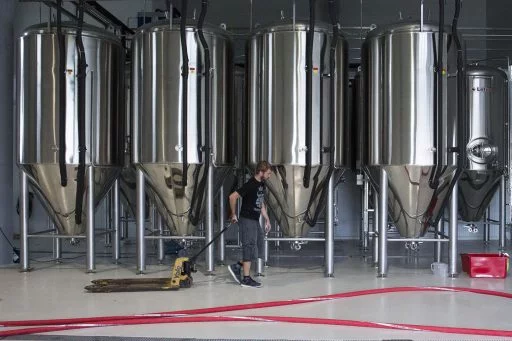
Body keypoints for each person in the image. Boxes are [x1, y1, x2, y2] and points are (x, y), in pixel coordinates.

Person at [228, 161, 272, 288]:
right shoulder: (251, 184)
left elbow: (260, 201)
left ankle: (237, 266)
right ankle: (246, 279)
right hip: (247, 219)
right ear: (261, 172)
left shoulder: (261, 184)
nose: (269, 176)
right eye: (268, 173)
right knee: (249, 246)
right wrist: (233, 214)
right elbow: (232, 197)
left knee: (259, 245)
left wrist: (266, 218)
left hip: (255, 220)